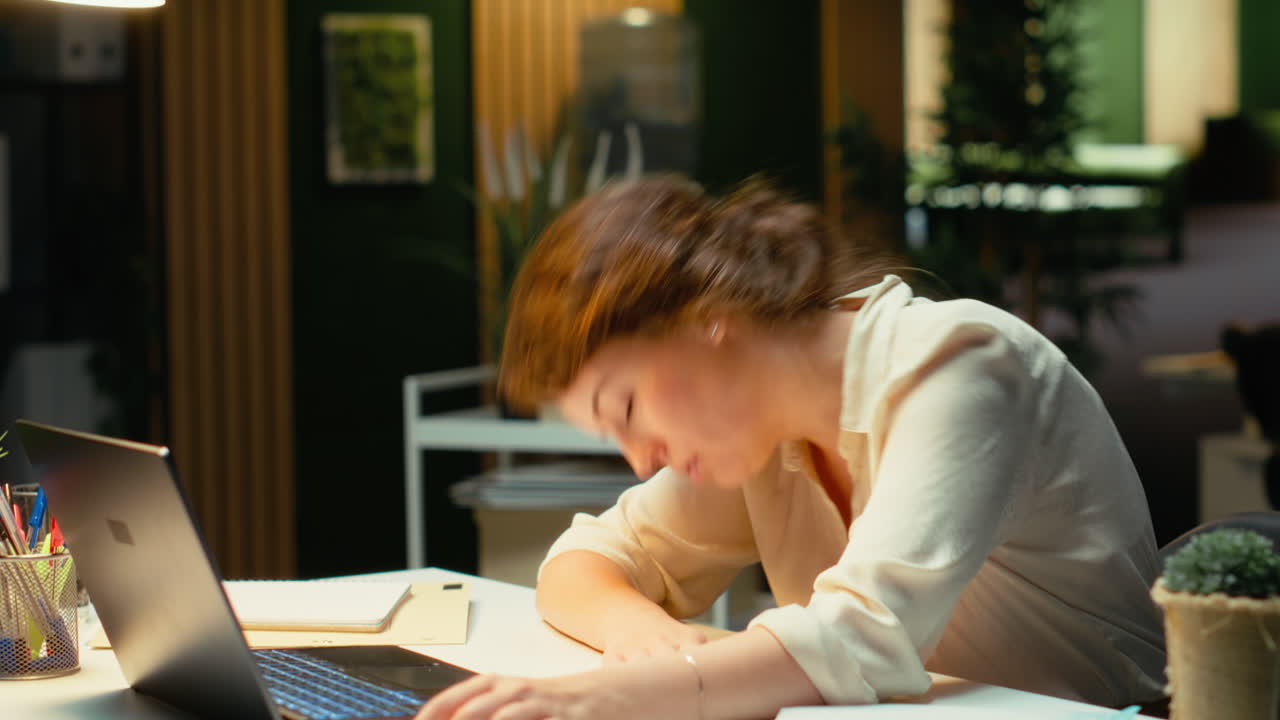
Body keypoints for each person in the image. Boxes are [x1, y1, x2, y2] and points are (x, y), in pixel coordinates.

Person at [417, 176, 1168, 720]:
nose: (641, 459)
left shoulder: (962, 364)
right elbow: (584, 563)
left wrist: (611, 695)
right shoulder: (761, 434)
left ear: (706, 318)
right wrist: (648, 642)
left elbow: (861, 638)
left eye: (629, 408)